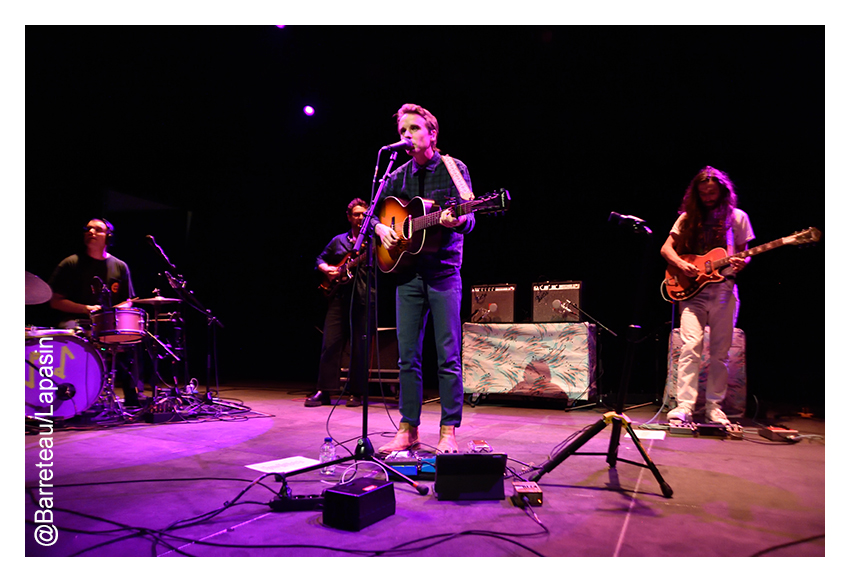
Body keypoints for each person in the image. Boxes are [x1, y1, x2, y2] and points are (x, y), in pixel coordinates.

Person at [372, 103, 475, 454]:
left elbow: (470, 213)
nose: (407, 137)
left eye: (414, 129)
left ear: (432, 134)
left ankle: (449, 431)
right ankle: (408, 428)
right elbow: (374, 214)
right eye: (403, 131)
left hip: (444, 273)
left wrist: (457, 220)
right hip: (407, 275)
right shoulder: (397, 174)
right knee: (406, 357)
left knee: (447, 356)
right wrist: (383, 228)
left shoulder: (453, 168)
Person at [660, 166, 755, 425]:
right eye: (703, 193)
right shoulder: (687, 217)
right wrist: (680, 265)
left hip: (724, 289)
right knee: (691, 346)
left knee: (720, 353)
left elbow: (743, 253)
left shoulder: (737, 217)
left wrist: (742, 262)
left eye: (712, 192)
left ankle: (714, 406)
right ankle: (685, 406)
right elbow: (666, 249)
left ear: (723, 191)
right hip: (692, 292)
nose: (708, 197)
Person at [49, 218, 142, 407]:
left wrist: (114, 310)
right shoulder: (71, 263)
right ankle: (73, 397)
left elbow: (129, 300)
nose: (91, 231)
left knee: (133, 337)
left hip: (108, 321)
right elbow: (55, 301)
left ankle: (132, 399)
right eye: (88, 229)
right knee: (73, 336)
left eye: (97, 229)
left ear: (108, 236)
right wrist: (87, 309)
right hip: (77, 320)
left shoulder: (120, 266)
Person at [306, 199, 373, 407]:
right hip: (338, 298)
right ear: (349, 217)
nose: (360, 218)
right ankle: (324, 391)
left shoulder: (372, 242)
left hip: (362, 297)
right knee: (330, 344)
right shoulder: (338, 241)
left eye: (363, 214)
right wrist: (327, 269)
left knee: (360, 347)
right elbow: (319, 259)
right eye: (356, 214)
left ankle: (357, 393)